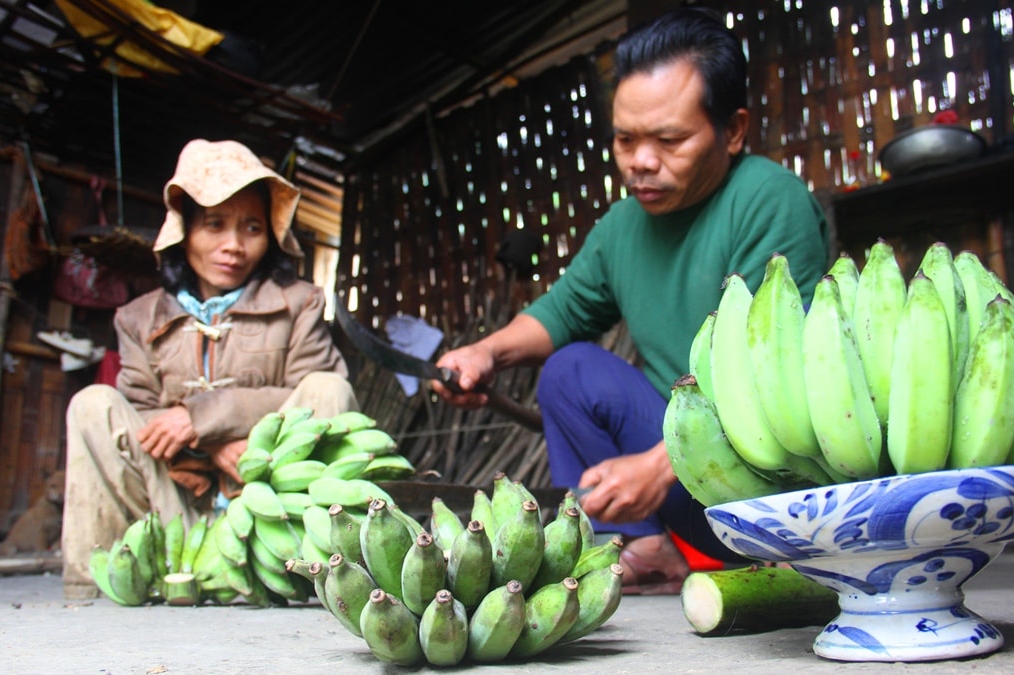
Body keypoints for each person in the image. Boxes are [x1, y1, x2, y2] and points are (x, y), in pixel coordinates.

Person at [432, 8, 828, 594]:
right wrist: (485, 353)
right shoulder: (623, 227)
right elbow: (562, 312)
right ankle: (647, 547)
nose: (640, 160)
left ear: (734, 130)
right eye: (625, 139)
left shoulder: (769, 201)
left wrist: (659, 463)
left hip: (771, 492)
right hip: (684, 488)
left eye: (669, 139)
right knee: (570, 370)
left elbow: (781, 378)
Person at [61, 139, 358, 599]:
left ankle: (323, 576)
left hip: (270, 507)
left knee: (328, 388)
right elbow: (140, 414)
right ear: (184, 231)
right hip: (169, 506)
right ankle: (95, 590)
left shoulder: (299, 303)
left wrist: (205, 418)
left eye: (252, 228)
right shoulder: (138, 317)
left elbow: (308, 393)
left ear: (271, 236)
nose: (233, 246)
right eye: (214, 225)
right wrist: (207, 444)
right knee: (92, 404)